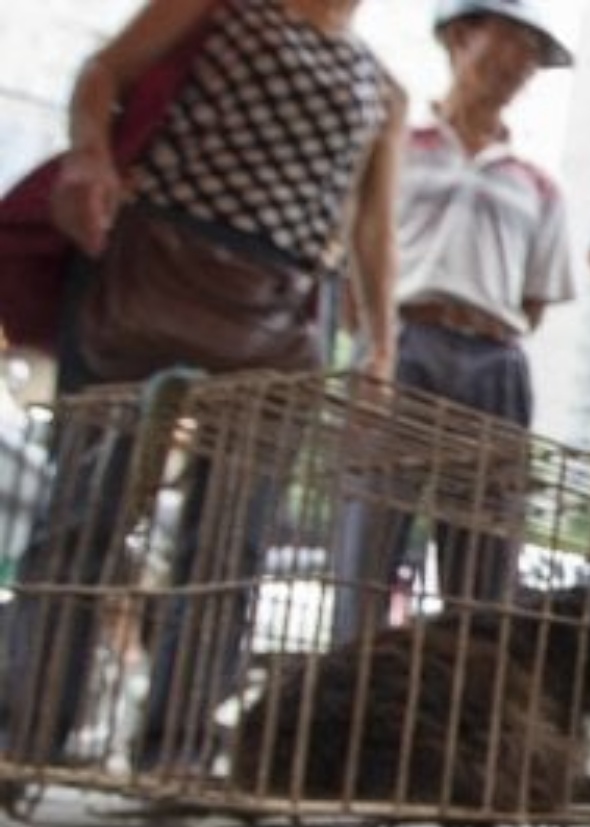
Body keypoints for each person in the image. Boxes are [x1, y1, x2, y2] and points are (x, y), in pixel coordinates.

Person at [0, 0, 400, 779]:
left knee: (230, 540)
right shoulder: (218, 7)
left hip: (280, 311)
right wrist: (91, 156)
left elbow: (373, 229)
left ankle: (176, 754)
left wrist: (382, 345)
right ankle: (25, 736)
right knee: (88, 509)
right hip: (155, 268)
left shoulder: (380, 85)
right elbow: (104, 71)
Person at [330, 0, 575, 645]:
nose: (519, 63)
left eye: (532, 54)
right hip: (401, 344)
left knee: (484, 556)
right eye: (509, 41)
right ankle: (350, 696)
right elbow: (351, 255)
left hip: (494, 362)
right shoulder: (397, 145)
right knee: (368, 537)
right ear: (461, 37)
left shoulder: (537, 186)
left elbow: (534, 302)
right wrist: (374, 343)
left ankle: (459, 704)